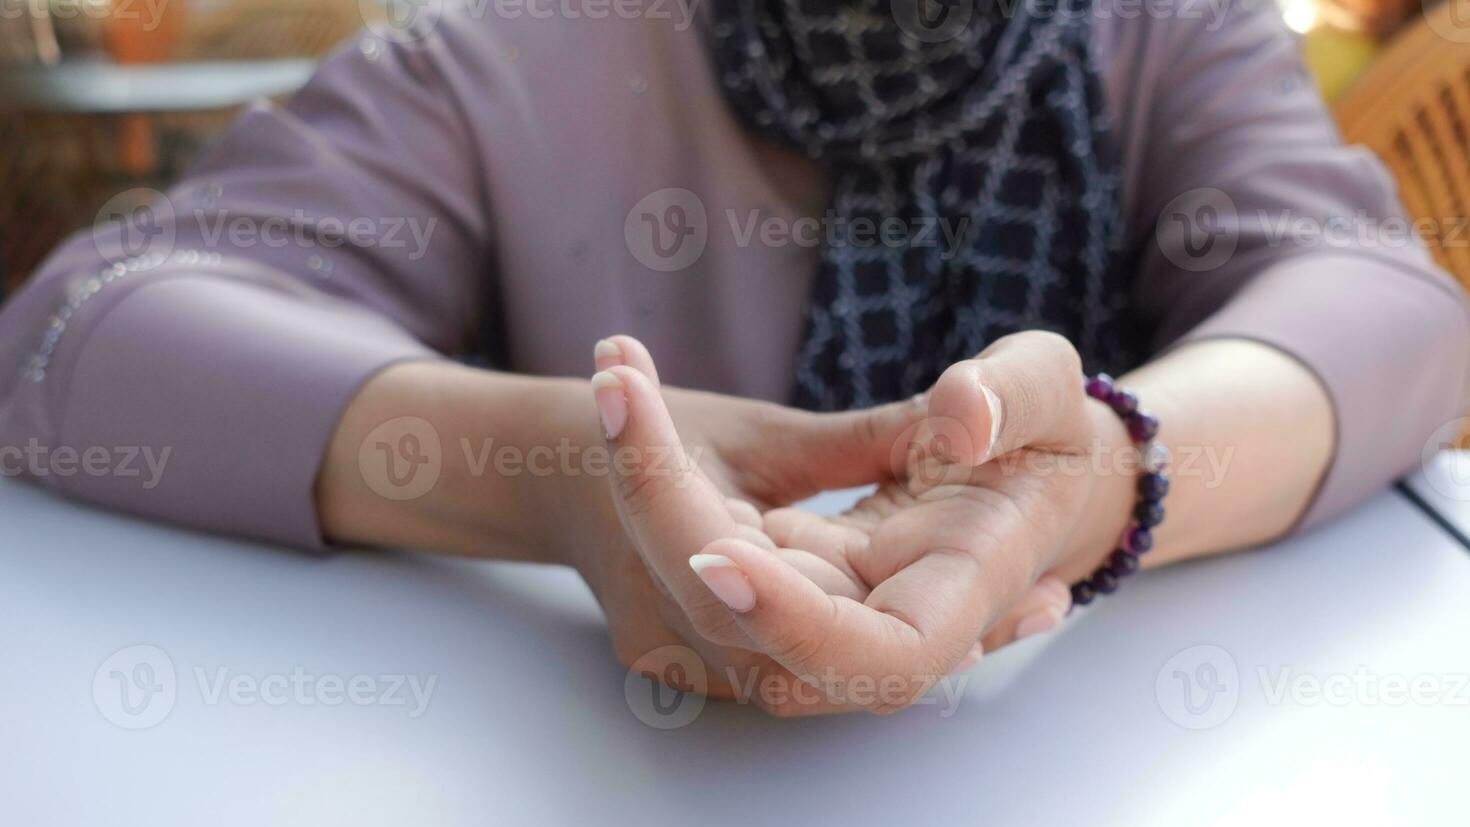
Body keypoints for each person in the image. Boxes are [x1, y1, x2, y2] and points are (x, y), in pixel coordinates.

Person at [1, 0, 1466, 716]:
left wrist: (1107, 469)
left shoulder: (1163, 34)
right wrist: (561, 471)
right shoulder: (516, 46)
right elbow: (83, 330)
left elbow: (1382, 308)